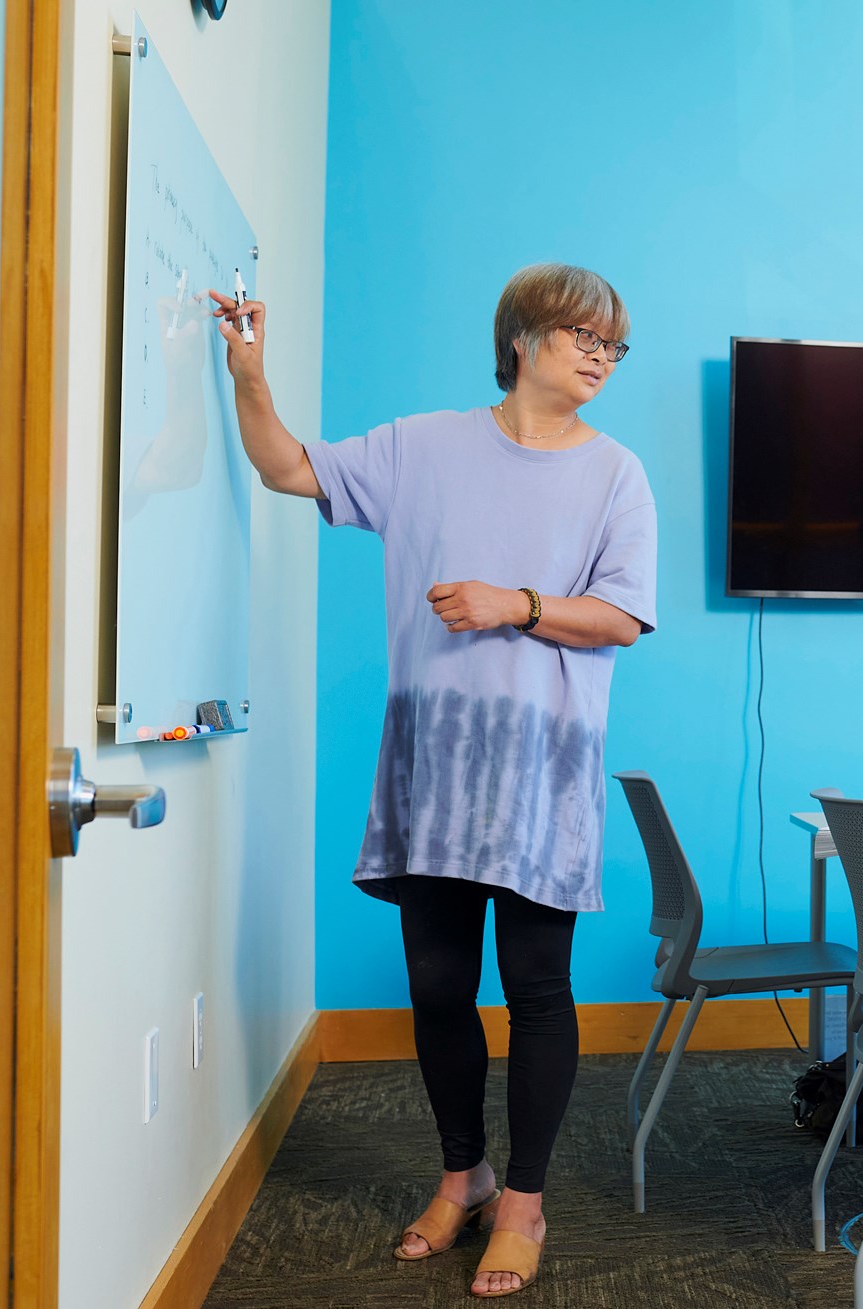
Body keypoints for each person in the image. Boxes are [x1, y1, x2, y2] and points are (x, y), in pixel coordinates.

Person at [211, 263, 657, 1298]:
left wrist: (515, 603)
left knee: (538, 990)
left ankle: (528, 1205)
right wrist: (246, 370)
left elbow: (623, 618)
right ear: (519, 339)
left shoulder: (615, 474)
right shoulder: (420, 446)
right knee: (437, 988)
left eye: (612, 344)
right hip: (435, 769)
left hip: (543, 773)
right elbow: (284, 468)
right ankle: (464, 1178)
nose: (598, 355)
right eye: (580, 334)